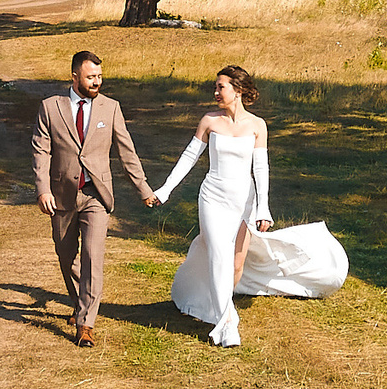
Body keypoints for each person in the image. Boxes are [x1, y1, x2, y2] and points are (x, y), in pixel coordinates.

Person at [31, 50, 156, 348]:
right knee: (66, 256)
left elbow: (127, 152)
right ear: (75, 77)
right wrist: (43, 189)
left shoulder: (110, 108)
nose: (97, 81)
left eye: (99, 76)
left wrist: (144, 189)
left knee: (92, 257)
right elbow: (40, 152)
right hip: (61, 195)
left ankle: (86, 323)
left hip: (96, 196)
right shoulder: (50, 108)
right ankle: (79, 303)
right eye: (90, 77)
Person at [152, 65, 275, 347]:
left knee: (235, 263)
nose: (216, 92)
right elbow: (188, 158)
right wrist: (166, 189)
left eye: (221, 87)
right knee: (219, 254)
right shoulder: (209, 120)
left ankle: (215, 305)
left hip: (244, 200)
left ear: (238, 90)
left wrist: (263, 207)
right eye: (216, 86)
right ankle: (226, 325)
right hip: (213, 197)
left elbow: (262, 170)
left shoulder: (257, 126)